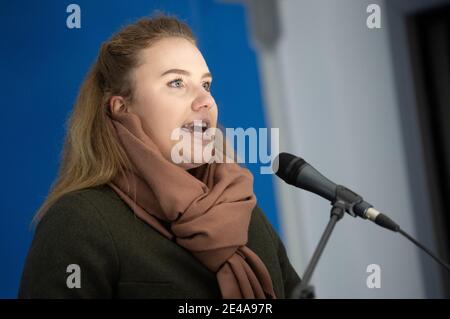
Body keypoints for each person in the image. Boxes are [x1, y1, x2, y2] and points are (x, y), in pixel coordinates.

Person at [18, 14, 300, 299]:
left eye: (206, 85)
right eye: (176, 83)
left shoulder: (244, 211)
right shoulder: (79, 221)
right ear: (121, 108)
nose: (206, 100)